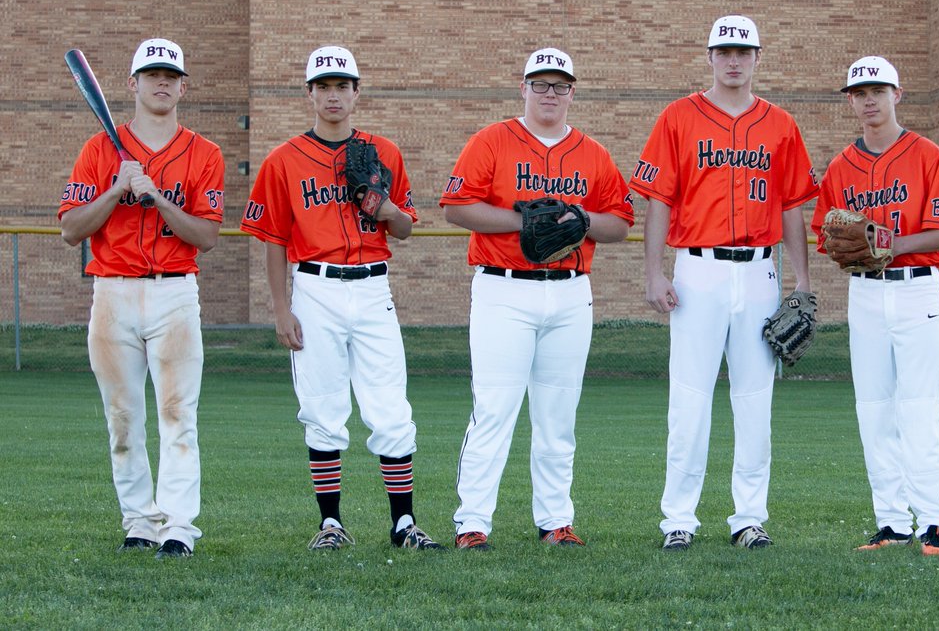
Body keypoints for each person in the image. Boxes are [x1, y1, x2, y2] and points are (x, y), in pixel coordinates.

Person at [241, 46, 442, 551]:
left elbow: (404, 231)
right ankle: (331, 524)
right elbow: (272, 239)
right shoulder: (283, 159)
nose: (333, 95)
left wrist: (381, 203)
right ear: (310, 94)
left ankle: (403, 525)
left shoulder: (384, 152)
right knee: (322, 407)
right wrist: (280, 308)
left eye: (342, 86)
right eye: (323, 86)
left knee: (391, 409)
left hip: (374, 287)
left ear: (356, 92)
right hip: (314, 287)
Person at [629, 15, 816, 551]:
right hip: (699, 268)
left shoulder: (780, 124)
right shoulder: (678, 117)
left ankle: (749, 518)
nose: (734, 60)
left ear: (758, 58)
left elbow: (791, 208)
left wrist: (800, 281)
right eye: (724, 51)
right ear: (709, 56)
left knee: (755, 399)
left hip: (760, 270)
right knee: (688, 397)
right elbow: (659, 200)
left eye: (744, 51)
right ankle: (679, 520)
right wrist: (653, 271)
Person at [441, 48, 634, 550]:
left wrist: (581, 222)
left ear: (573, 92)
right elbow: (456, 207)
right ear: (523, 88)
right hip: (503, 289)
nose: (551, 94)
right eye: (541, 84)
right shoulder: (492, 140)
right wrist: (525, 221)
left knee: (557, 416)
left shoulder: (592, 153)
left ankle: (555, 521)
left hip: (570, 293)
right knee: (495, 409)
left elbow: (620, 222)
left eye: (560, 85)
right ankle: (472, 522)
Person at [59, 38, 224, 559]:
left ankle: (178, 526)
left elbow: (205, 235)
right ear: (132, 84)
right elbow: (70, 229)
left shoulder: (205, 153)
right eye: (151, 74)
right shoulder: (98, 148)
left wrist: (154, 196)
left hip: (175, 291)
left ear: (182, 87)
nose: (161, 82)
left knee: (179, 415)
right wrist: (116, 191)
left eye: (170, 75)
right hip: (112, 291)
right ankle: (138, 521)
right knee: (123, 419)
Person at [811, 56, 939, 556]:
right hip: (866, 293)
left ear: (897, 94)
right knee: (874, 409)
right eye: (859, 92)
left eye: (878, 89)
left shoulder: (926, 154)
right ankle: (891, 521)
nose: (869, 99)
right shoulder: (839, 166)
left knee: (920, 408)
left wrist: (889, 243)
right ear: (850, 101)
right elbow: (827, 235)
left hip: (917, 287)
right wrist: (844, 244)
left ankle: (935, 521)